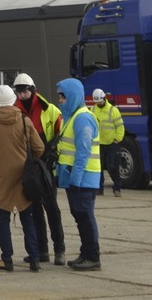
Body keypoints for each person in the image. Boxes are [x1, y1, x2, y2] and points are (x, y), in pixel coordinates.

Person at [0, 85, 46, 272]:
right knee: (27, 219)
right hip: (24, 176)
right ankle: (34, 259)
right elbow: (39, 148)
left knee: (3, 219)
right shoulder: (25, 121)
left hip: (1, 177)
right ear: (12, 100)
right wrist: (29, 163)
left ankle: (6, 258)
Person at [13, 73, 66, 265]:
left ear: (33, 90)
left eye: (25, 91)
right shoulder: (15, 112)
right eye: (19, 91)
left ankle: (59, 250)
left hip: (47, 167)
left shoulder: (50, 110)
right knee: (35, 210)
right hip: (28, 168)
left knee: (52, 209)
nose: (22, 95)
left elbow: (62, 135)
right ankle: (42, 250)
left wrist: (55, 156)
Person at [55, 78, 102, 271]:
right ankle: (86, 253)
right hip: (75, 179)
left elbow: (83, 150)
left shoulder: (82, 118)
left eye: (62, 97)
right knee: (80, 216)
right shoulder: (73, 117)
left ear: (72, 96)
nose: (60, 101)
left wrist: (75, 178)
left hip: (83, 178)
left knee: (85, 216)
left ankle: (92, 256)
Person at [88, 88, 126, 196]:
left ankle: (117, 187)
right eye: (97, 102)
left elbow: (120, 127)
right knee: (98, 167)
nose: (99, 103)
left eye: (100, 101)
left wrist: (117, 139)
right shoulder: (92, 110)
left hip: (111, 143)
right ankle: (99, 189)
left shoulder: (113, 110)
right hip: (99, 144)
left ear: (104, 98)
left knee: (113, 166)